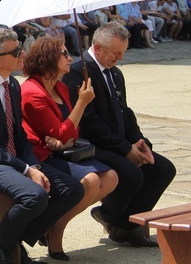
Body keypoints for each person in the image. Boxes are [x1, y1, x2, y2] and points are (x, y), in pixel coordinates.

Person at [0, 28, 83, 264]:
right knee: (35, 195)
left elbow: (18, 133)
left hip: (8, 158)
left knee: (73, 190)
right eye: (16, 50)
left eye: (21, 46)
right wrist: (25, 169)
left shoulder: (12, 84)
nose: (23, 53)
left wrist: (33, 165)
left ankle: (12, 240)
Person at [63, 22, 176, 247]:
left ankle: (125, 225)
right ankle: (109, 214)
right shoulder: (76, 74)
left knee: (163, 169)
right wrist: (125, 149)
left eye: (122, 53)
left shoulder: (114, 73)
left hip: (119, 141)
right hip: (93, 144)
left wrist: (139, 142)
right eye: (116, 53)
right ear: (97, 48)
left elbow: (125, 110)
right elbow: (90, 122)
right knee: (132, 173)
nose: (120, 59)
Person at [20, 36, 118, 260]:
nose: (70, 58)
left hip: (62, 151)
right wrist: (82, 103)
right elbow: (63, 131)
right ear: (48, 59)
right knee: (90, 181)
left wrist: (63, 136)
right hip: (41, 156)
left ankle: (54, 225)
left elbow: (72, 131)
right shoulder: (32, 92)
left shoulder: (60, 87)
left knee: (110, 177)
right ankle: (56, 231)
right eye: (64, 54)